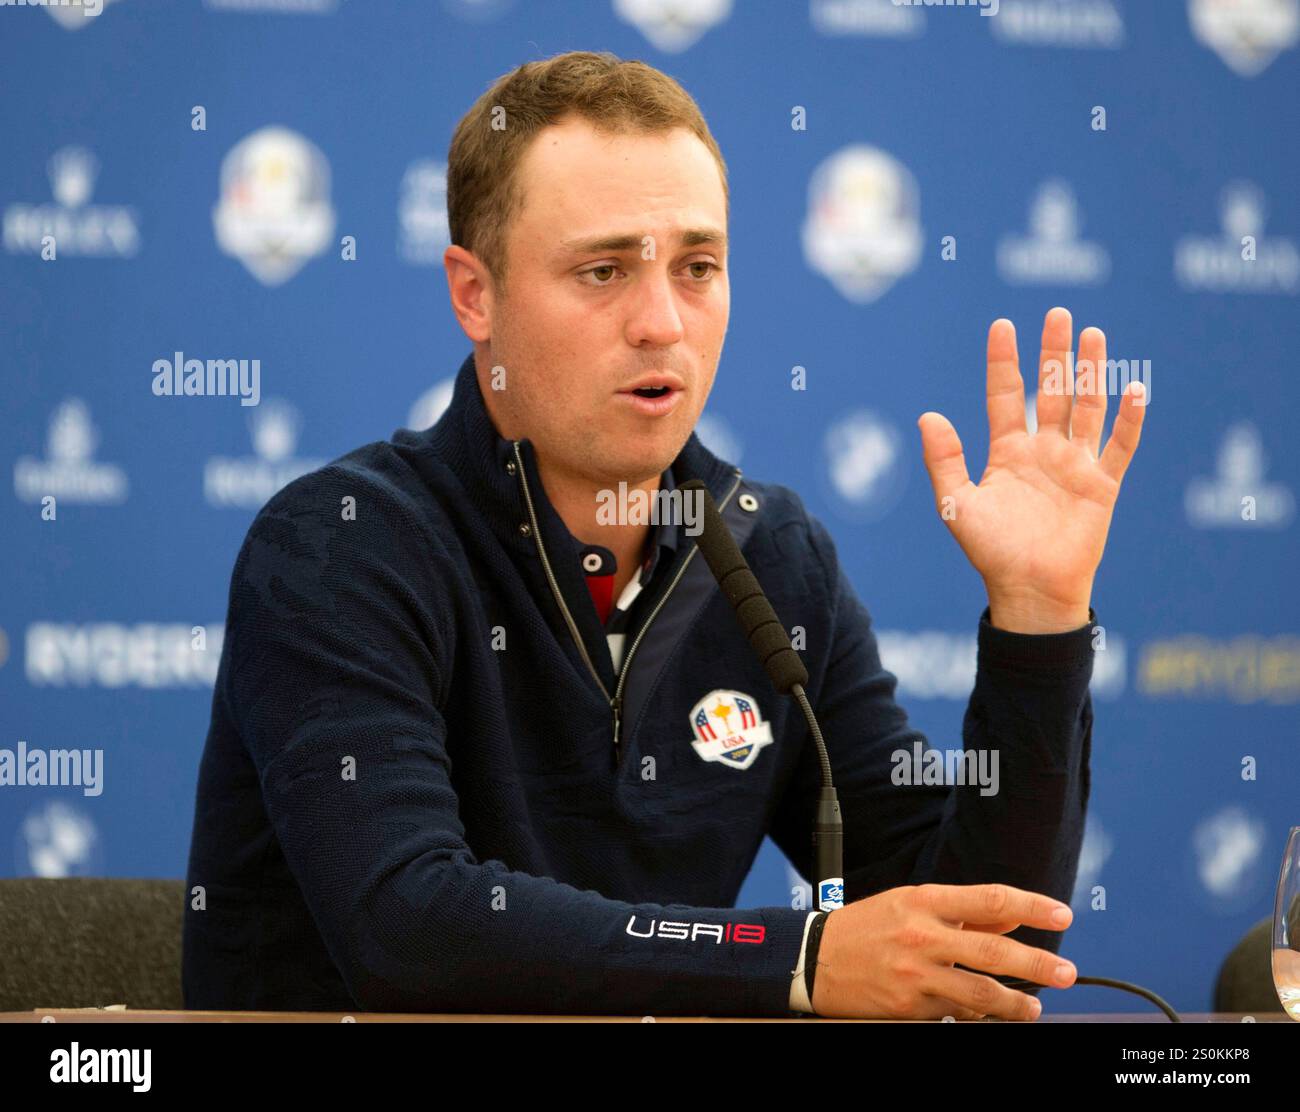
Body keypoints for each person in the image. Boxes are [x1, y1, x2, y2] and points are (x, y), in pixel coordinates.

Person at [182, 50, 1145, 1019]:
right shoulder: (339, 545)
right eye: (602, 270)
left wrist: (1039, 622)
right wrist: (795, 956)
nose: (661, 322)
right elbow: (409, 925)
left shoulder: (770, 557)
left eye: (698, 268)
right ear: (475, 295)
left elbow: (977, 951)